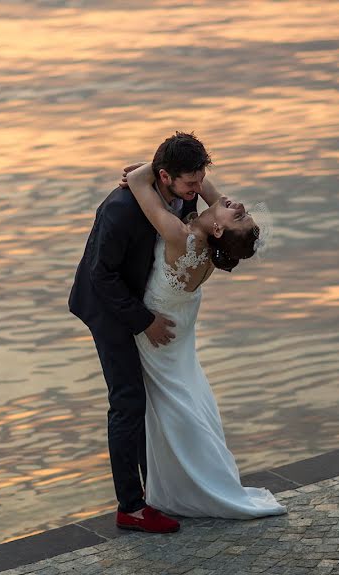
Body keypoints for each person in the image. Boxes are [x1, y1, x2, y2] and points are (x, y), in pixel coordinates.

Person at [69, 132, 225, 533]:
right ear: (165, 177)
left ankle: (158, 488)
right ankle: (131, 507)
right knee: (127, 401)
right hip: (109, 308)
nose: (196, 191)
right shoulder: (121, 210)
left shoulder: (181, 190)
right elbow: (99, 275)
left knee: (150, 397)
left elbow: (206, 198)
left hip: (144, 297)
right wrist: (143, 320)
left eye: (199, 180)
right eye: (190, 182)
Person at [123, 150, 287, 520]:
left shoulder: (178, 235)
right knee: (188, 394)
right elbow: (206, 188)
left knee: (174, 402)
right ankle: (193, 477)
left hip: (159, 333)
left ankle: (189, 484)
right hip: (181, 324)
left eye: (238, 214)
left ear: (218, 228)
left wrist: (156, 168)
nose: (237, 204)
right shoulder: (215, 244)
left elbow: (136, 182)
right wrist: (183, 169)